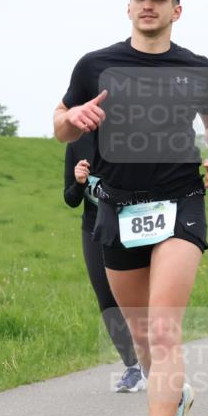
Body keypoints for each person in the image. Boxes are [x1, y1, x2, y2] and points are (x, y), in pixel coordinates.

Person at [53, 0, 208, 416]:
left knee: (162, 327)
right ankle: (175, 400)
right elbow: (60, 123)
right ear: (128, 7)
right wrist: (75, 118)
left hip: (180, 201)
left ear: (176, 10)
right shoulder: (96, 65)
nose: (147, 4)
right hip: (116, 206)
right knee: (140, 335)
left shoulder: (197, 69)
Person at [63, 134, 144, 392]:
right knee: (107, 299)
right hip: (95, 228)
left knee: (139, 298)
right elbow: (70, 198)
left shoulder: (133, 135)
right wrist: (78, 182)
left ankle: (157, 360)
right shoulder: (77, 142)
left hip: (134, 224)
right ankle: (133, 367)